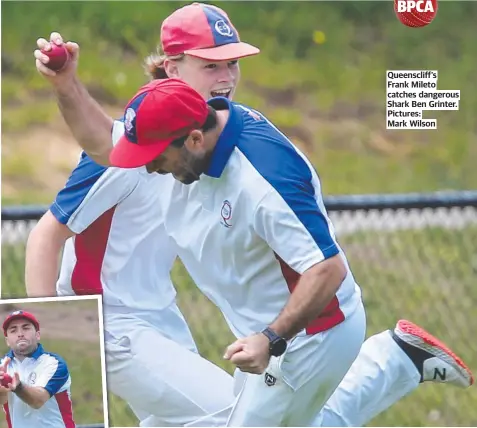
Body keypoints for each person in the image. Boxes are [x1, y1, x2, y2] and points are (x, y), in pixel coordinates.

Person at [31, 3, 473, 427]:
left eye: (231, 64)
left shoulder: (251, 163)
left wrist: (271, 337)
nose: (225, 78)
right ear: (172, 68)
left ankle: (393, 362)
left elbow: (325, 268)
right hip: (129, 323)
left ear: (194, 141)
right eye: (210, 65)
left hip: (299, 331)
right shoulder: (152, 132)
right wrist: (66, 86)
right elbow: (97, 157)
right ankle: (395, 361)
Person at [0, 310, 75, 428]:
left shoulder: (54, 363)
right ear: (7, 341)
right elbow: (2, 399)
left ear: (38, 335)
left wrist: (18, 387)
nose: (20, 334)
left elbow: (37, 400)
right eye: (13, 330)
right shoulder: (2, 366)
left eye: (26, 328)